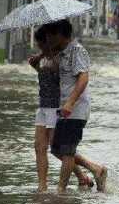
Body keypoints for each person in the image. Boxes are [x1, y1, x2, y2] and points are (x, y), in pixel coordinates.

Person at [28, 27, 95, 193]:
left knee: (59, 150)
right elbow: (45, 79)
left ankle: (88, 171)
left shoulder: (62, 57)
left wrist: (69, 103)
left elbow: (71, 80)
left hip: (55, 107)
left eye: (43, 42)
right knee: (39, 147)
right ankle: (42, 186)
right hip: (43, 106)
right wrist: (38, 61)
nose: (41, 45)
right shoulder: (48, 57)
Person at [45, 19, 107, 194]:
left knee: (67, 151)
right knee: (57, 149)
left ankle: (61, 191)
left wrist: (71, 102)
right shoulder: (62, 53)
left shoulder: (77, 51)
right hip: (64, 109)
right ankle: (95, 169)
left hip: (75, 109)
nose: (48, 38)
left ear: (61, 35)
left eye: (51, 35)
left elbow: (83, 78)